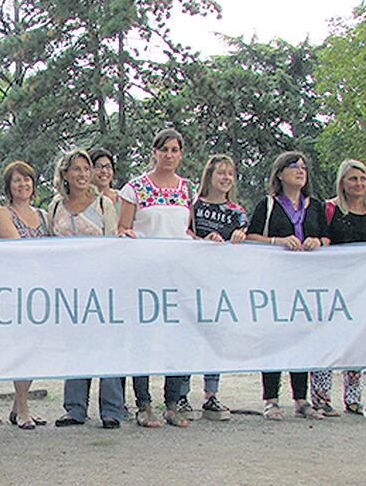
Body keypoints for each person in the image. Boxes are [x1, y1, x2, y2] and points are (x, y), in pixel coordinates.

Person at [118, 129, 194, 428]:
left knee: (177, 338)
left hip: (178, 275)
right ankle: (144, 404)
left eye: (175, 150)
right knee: (144, 339)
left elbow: (187, 230)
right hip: (144, 275)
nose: (169, 155)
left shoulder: (187, 189)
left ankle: (173, 404)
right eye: (164, 149)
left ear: (181, 154)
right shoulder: (135, 188)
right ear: (154, 152)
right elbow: (123, 228)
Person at [246, 151, 330, 421]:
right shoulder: (268, 205)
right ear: (280, 173)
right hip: (275, 281)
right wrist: (277, 241)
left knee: (301, 336)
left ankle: (301, 399)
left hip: (306, 281)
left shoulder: (314, 206)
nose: (300, 171)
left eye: (304, 167)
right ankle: (271, 399)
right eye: (294, 166)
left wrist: (319, 241)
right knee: (273, 337)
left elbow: (329, 237)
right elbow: (250, 236)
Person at [48, 149, 123, 429]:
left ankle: (112, 409)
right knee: (75, 345)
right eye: (76, 169)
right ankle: (75, 408)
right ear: (65, 174)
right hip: (69, 287)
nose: (82, 174)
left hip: (101, 284)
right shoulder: (56, 206)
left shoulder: (104, 204)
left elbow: (113, 243)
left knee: (108, 345)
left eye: (85, 169)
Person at [308, 159, 366, 417]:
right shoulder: (329, 209)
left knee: (357, 340)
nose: (358, 184)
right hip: (331, 285)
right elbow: (321, 237)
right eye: (353, 179)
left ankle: (354, 398)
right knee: (325, 339)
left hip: (361, 289)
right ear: (342, 182)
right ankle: (321, 397)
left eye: (363, 179)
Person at [0, 160, 50, 429]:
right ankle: (24, 409)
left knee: (37, 348)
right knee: (22, 347)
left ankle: (18, 406)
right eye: (17, 180)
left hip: (43, 290)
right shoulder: (2, 213)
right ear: (8, 186)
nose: (23, 184)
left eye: (27, 179)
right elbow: (17, 248)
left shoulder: (44, 215)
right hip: (16, 289)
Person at [190, 154, 248, 421]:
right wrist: (202, 240)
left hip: (221, 282)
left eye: (230, 173)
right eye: (221, 173)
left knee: (215, 337)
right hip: (192, 279)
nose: (226, 178)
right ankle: (181, 395)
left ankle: (211, 395)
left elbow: (247, 236)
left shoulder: (237, 211)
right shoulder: (194, 205)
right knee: (189, 335)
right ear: (210, 176)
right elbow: (184, 232)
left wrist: (239, 236)